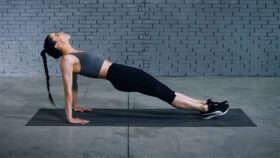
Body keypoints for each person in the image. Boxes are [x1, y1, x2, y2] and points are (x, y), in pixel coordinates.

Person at [40, 32, 229, 124]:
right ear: (57, 45)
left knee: (166, 91)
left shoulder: (73, 54)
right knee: (166, 94)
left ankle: (205, 104)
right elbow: (67, 88)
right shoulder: (66, 60)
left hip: (122, 72)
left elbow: (74, 85)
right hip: (120, 76)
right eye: (57, 35)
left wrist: (76, 106)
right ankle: (207, 109)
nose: (61, 33)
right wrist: (70, 117)